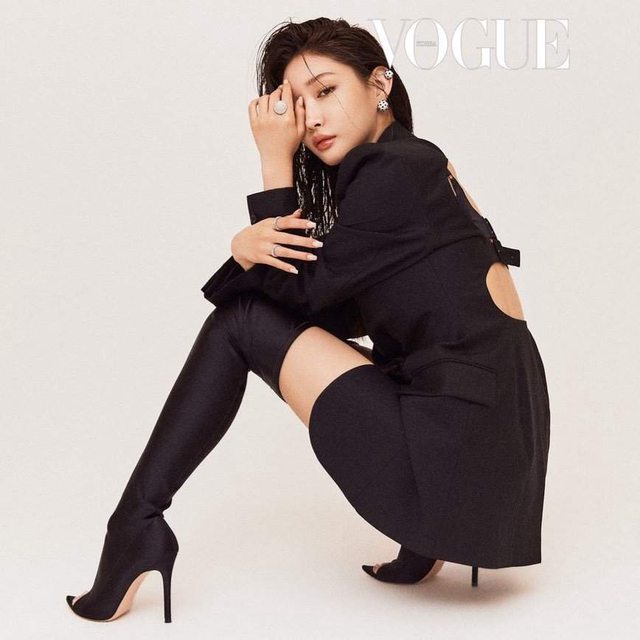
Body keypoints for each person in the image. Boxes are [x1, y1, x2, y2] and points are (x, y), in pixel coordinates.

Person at [66, 17, 551, 623]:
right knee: (258, 318)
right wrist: (253, 250)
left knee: (240, 322)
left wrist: (273, 170)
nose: (312, 118)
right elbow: (340, 313)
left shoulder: (395, 172)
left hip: (457, 459)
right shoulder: (417, 165)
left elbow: (296, 303)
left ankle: (135, 525)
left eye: (325, 91)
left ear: (380, 84)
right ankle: (423, 542)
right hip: (494, 461)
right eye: (297, 106)